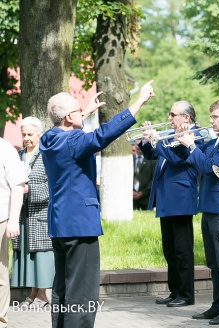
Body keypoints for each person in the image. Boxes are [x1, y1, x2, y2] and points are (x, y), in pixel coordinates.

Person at [39, 81, 155, 328]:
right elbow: (104, 134)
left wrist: (84, 112)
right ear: (70, 117)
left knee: (63, 288)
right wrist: (139, 102)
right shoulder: (74, 142)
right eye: (77, 110)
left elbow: (67, 128)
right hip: (80, 224)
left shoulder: (49, 138)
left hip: (60, 223)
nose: (83, 112)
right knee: (81, 295)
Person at [175, 98, 219, 325]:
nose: (211, 121)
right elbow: (197, 157)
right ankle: (218, 305)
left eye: (215, 117)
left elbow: (208, 167)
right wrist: (187, 136)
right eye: (211, 117)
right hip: (210, 208)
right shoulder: (217, 141)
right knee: (214, 264)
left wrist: (192, 145)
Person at [139, 100, 203, 308]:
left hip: (181, 199)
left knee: (183, 250)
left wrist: (157, 140)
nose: (169, 118)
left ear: (186, 117)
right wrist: (147, 139)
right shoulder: (170, 136)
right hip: (166, 199)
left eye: (172, 114)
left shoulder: (195, 136)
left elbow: (177, 160)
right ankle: (175, 291)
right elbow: (151, 155)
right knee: (170, 249)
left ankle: (186, 294)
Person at [11, 117, 54, 309]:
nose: (26, 138)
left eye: (30, 134)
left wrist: (29, 190)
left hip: (40, 213)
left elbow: (51, 185)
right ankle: (32, 293)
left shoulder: (47, 155)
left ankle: (43, 295)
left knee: (41, 255)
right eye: (24, 135)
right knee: (27, 253)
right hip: (22, 214)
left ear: (39, 135)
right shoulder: (18, 155)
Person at [0, 137, 28, 328]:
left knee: (0, 275)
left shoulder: (4, 148)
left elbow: (18, 185)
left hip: (0, 219)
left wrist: (13, 220)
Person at [132, 141, 155, 210]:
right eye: (136, 144)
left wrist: (142, 193)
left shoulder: (151, 160)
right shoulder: (129, 159)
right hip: (130, 199)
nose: (138, 146)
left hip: (146, 199)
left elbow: (153, 178)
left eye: (141, 144)